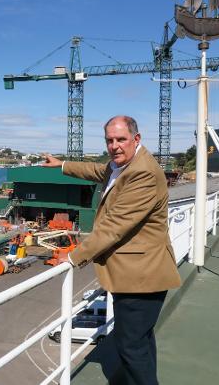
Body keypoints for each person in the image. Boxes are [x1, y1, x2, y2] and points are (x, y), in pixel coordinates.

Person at [43, 115, 181, 385]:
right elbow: (98, 171)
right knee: (140, 340)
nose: (114, 145)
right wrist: (62, 166)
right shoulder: (125, 164)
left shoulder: (142, 173)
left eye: (121, 139)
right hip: (138, 273)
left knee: (131, 348)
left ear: (136, 139)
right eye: (110, 140)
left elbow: (114, 227)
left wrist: (72, 256)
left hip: (141, 276)